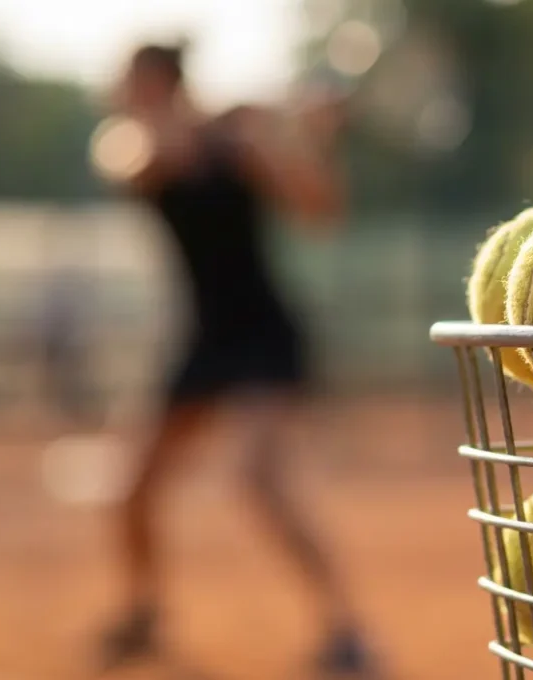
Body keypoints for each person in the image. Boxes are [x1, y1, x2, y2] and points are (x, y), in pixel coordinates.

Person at [95, 41, 373, 676]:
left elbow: (321, 211)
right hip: (202, 339)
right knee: (132, 489)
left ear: (159, 81)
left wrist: (294, 140)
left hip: (262, 337)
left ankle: (346, 627)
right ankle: (143, 612)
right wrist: (234, 125)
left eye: (129, 79)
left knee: (257, 477)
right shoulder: (135, 142)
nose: (118, 91)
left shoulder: (241, 144)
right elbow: (141, 161)